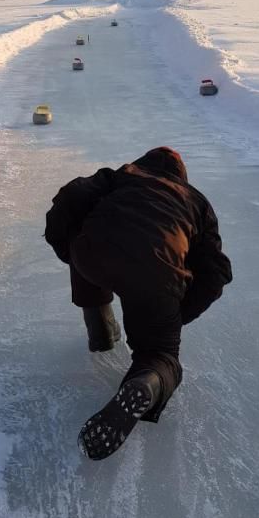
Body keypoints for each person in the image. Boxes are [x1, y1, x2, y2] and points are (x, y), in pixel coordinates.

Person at [45, 146, 232, 460]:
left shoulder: (122, 175)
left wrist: (69, 251)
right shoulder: (196, 202)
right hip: (158, 274)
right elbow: (217, 272)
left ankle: (101, 332)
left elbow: (69, 197)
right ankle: (147, 380)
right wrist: (174, 315)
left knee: (84, 233)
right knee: (160, 355)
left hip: (95, 252)